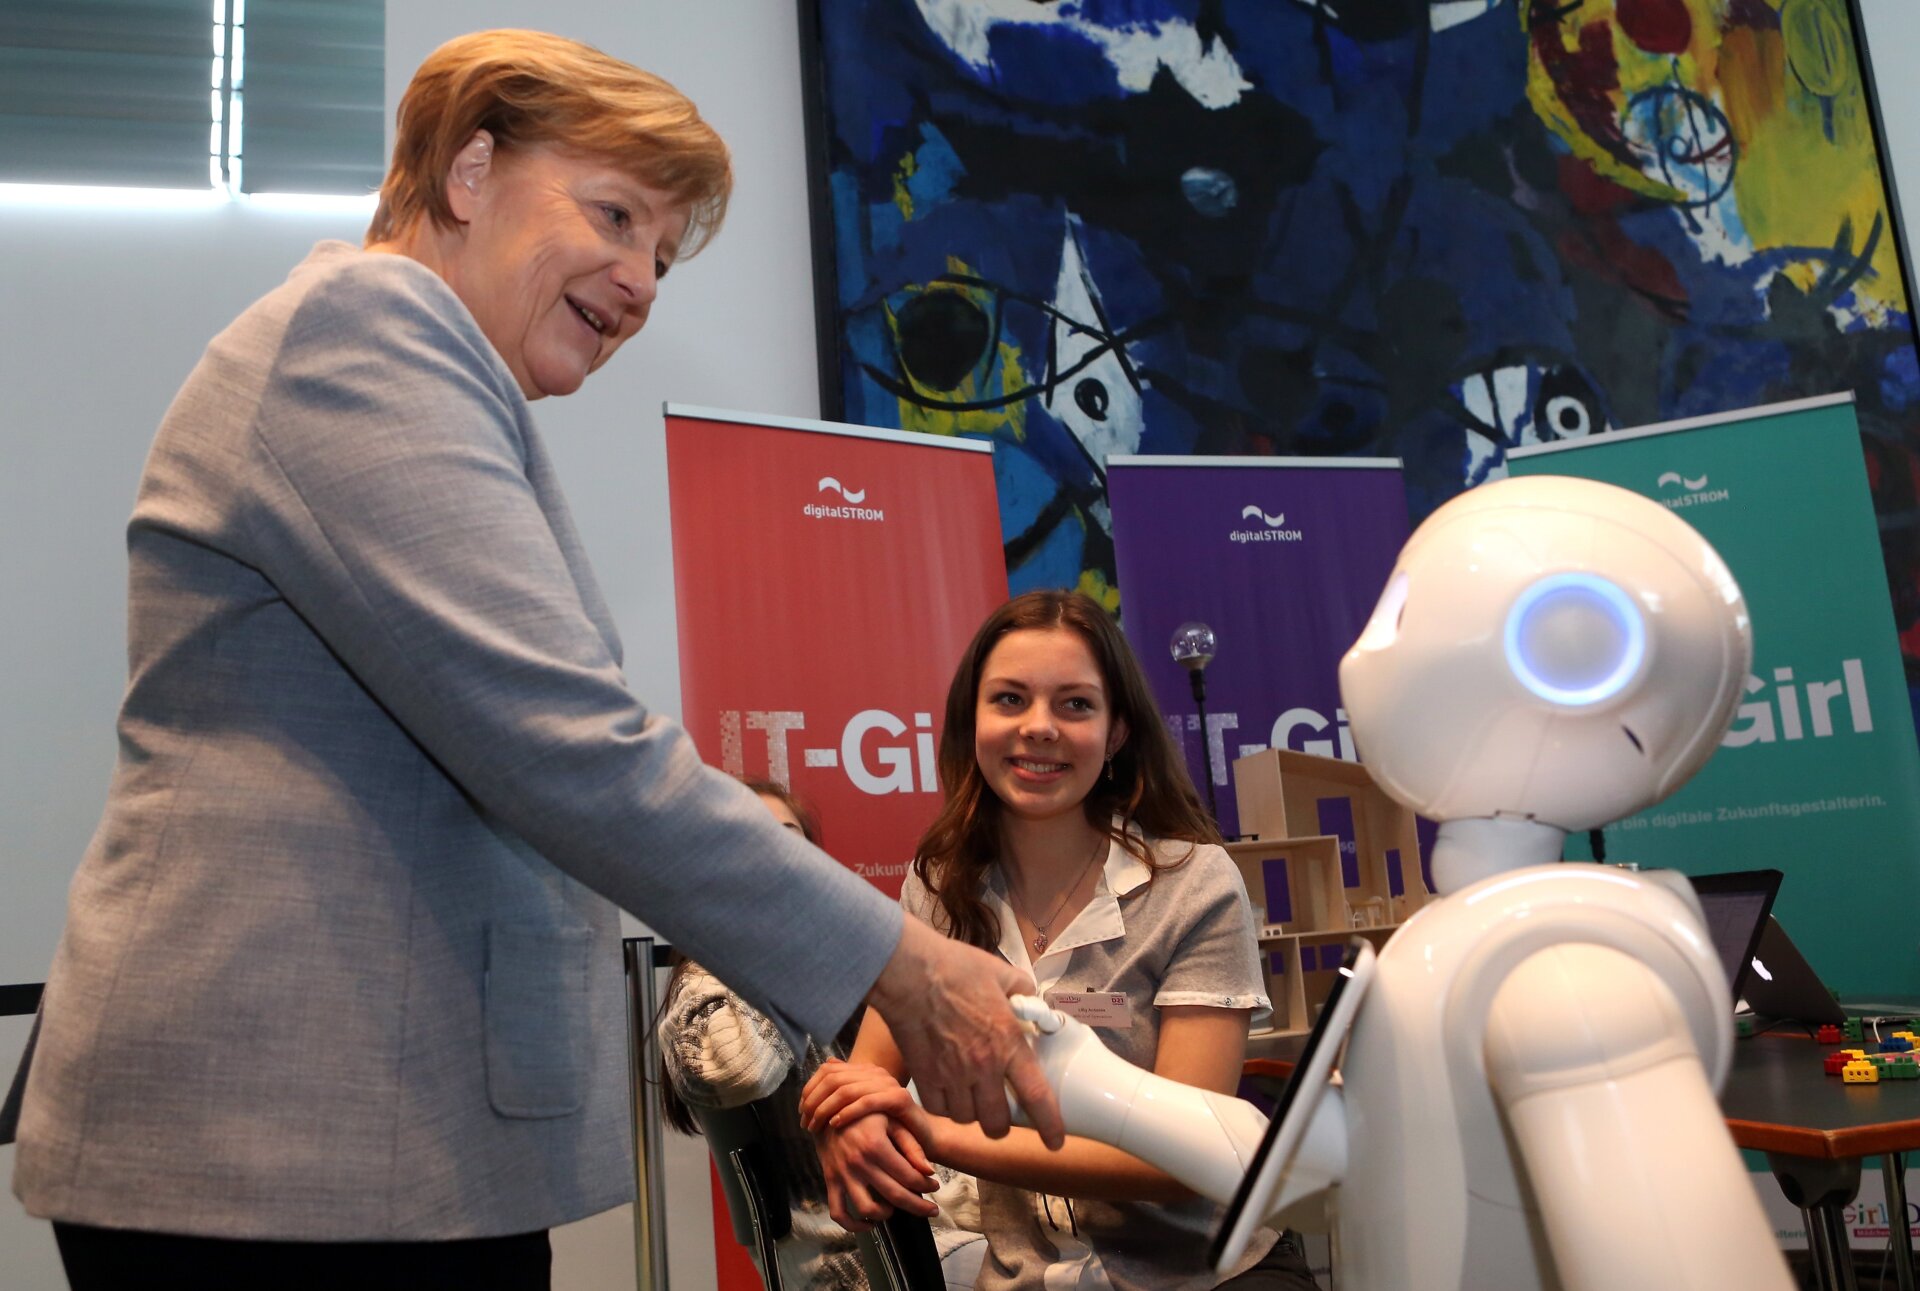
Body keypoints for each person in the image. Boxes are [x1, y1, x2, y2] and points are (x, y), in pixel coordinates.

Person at [3, 30, 1058, 1288]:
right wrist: (909, 964)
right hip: (284, 1148)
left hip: (369, 1143)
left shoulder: (435, 375)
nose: (639, 281)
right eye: (612, 214)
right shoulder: (367, 331)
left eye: (660, 256)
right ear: (468, 172)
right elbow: (570, 749)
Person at [800, 591, 1320, 1291]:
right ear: (970, 723)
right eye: (1010, 700)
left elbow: (1181, 1161)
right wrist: (846, 1119)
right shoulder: (939, 886)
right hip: (1028, 1277)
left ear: (1116, 734)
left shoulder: (1195, 884)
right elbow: (866, 1080)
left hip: (1207, 1275)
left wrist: (934, 1134)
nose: (1038, 727)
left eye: (1075, 704)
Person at [658, 780, 987, 1291]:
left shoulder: (841, 959)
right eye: (750, 837)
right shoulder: (706, 983)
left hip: (953, 1223)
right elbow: (737, 1071)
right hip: (858, 1260)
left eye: (789, 838)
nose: (775, 854)